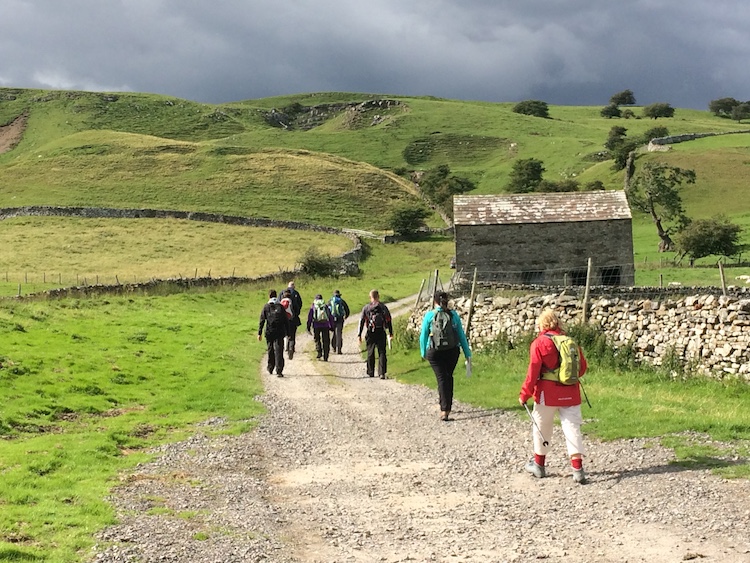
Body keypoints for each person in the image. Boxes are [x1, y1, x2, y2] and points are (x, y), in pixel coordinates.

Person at [519, 309, 588, 484]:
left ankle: (539, 465)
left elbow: (533, 371)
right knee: (572, 428)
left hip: (546, 394)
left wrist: (524, 394)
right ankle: (578, 469)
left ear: (542, 324)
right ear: (558, 323)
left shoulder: (539, 343)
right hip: (571, 391)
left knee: (542, 428)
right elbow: (582, 368)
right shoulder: (570, 342)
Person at [419, 291, 472, 421]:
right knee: (448, 376)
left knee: (441, 378)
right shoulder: (453, 315)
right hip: (452, 351)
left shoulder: (430, 315)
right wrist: (467, 354)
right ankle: (447, 407)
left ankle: (444, 410)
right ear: (447, 301)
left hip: (435, 352)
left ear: (435, 301)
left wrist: (423, 352)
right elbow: (461, 335)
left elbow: (423, 335)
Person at [357, 289, 393, 379]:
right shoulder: (383, 307)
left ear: (370, 297)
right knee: (382, 352)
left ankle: (371, 372)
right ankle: (382, 373)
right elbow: (389, 320)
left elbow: (361, 321)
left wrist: (359, 334)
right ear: (378, 296)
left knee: (370, 351)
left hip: (370, 332)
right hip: (381, 331)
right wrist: (391, 332)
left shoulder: (366, 308)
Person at [258, 289, 290, 377]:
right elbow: (286, 320)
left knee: (270, 349)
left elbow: (262, 320)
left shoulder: (266, 307)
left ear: (269, 296)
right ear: (276, 296)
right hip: (279, 331)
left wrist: (259, 333)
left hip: (269, 331)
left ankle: (270, 367)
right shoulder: (281, 307)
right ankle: (279, 370)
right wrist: (288, 332)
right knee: (279, 350)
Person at [307, 293, 334, 361]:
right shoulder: (325, 306)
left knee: (317, 339)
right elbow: (330, 316)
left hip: (316, 325)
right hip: (325, 325)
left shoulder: (313, 306)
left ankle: (319, 352)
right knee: (326, 340)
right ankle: (326, 356)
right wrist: (332, 326)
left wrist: (308, 326)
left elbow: (310, 317)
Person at [285, 281, 303, 359]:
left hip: (284, 319)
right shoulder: (296, 293)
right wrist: (296, 314)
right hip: (293, 319)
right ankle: (291, 348)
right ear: (294, 286)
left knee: (286, 334)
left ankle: (286, 347)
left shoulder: (283, 293)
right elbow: (299, 305)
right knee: (292, 335)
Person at [329, 289, 350, 354]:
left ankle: (333, 347)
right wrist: (346, 316)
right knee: (339, 333)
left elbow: (326, 310)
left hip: (332, 319)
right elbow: (347, 310)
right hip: (340, 319)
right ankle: (339, 349)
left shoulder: (330, 301)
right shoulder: (342, 301)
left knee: (334, 334)